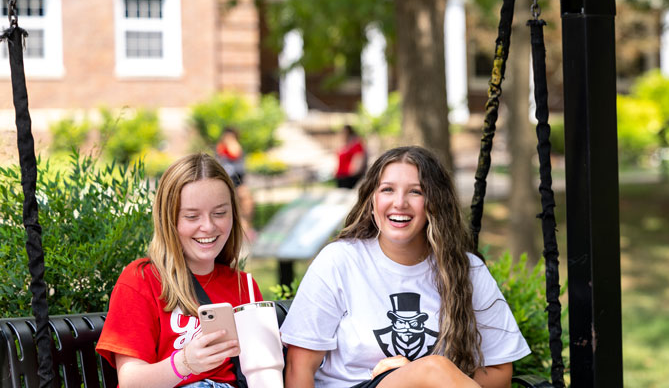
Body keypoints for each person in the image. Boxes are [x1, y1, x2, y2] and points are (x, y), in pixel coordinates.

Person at [281, 146, 530, 388]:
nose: (399, 203)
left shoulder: (467, 270)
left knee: (434, 370)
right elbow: (299, 368)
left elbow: (499, 374)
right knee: (435, 368)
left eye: (416, 192)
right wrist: (421, 373)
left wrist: (415, 377)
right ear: (371, 200)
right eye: (387, 189)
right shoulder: (339, 261)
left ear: (436, 202)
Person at [96, 153, 263, 388]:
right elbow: (131, 382)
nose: (208, 226)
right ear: (169, 220)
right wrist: (185, 363)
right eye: (192, 216)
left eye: (220, 213)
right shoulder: (141, 280)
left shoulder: (243, 285)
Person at [215, 128, 256, 243]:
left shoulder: (238, 152)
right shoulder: (220, 152)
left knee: (246, 197)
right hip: (225, 186)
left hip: (238, 185)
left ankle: (246, 227)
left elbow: (241, 172)